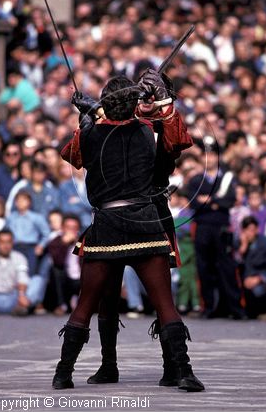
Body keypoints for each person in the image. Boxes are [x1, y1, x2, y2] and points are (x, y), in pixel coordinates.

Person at [52, 72, 204, 392]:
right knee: (164, 303)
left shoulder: (93, 132)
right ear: (134, 104)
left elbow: (71, 155)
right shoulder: (148, 130)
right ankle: (183, 370)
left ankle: (63, 372)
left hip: (108, 223)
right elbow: (178, 141)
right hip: (145, 220)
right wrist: (163, 101)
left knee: (88, 303)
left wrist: (90, 117)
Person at [187, 138, 246, 319]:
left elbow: (229, 201)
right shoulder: (196, 179)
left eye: (213, 155)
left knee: (226, 268)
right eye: (206, 155)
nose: (210, 159)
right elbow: (193, 202)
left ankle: (234, 308)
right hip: (203, 226)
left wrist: (209, 200)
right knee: (204, 267)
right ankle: (208, 306)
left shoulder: (227, 178)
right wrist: (214, 202)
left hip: (221, 227)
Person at [235, 216, 266, 319]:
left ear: (257, 230)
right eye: (246, 230)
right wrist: (243, 248)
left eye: (252, 230)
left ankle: (265, 311)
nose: (249, 233)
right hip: (244, 280)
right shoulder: (238, 243)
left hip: (260, 278)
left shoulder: (265, 244)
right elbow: (235, 264)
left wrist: (259, 278)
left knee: (258, 289)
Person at [0, 229, 32, 316]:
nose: (6, 245)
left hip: (15, 298)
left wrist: (22, 294)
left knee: (38, 281)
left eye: (8, 242)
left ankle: (20, 308)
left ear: (12, 243)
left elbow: (22, 276)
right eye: (2, 242)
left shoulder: (20, 257)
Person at [6, 190, 50, 276]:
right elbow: (6, 232)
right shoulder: (11, 217)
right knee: (13, 273)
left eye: (23, 200)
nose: (20, 202)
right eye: (18, 200)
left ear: (29, 202)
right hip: (14, 247)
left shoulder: (36, 218)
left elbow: (46, 233)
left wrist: (41, 246)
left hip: (30, 248)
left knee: (29, 273)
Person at [47, 214, 82, 316]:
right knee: (55, 270)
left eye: (74, 228)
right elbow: (57, 261)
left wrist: (77, 244)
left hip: (81, 280)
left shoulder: (84, 241)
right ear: (62, 228)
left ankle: (79, 304)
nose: (71, 231)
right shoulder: (55, 241)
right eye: (68, 228)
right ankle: (61, 305)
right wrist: (64, 243)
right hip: (65, 280)